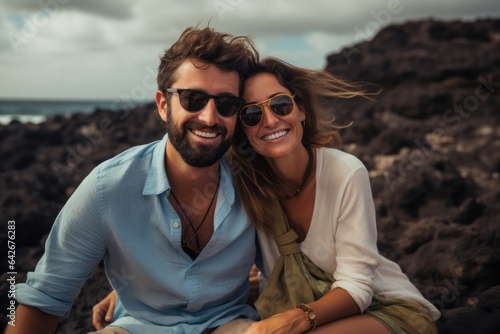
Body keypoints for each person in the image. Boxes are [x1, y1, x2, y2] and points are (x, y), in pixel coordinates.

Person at [7, 26, 261, 334]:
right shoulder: (108, 187)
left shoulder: (257, 182)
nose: (209, 117)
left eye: (226, 104)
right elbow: (45, 296)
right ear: (163, 104)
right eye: (192, 98)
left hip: (231, 325)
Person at [227, 57, 441, 333]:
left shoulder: (345, 172)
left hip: (381, 306)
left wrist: (288, 321)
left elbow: (357, 286)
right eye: (251, 115)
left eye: (280, 105)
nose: (269, 121)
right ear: (242, 130)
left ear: (301, 109)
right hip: (298, 312)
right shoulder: (248, 189)